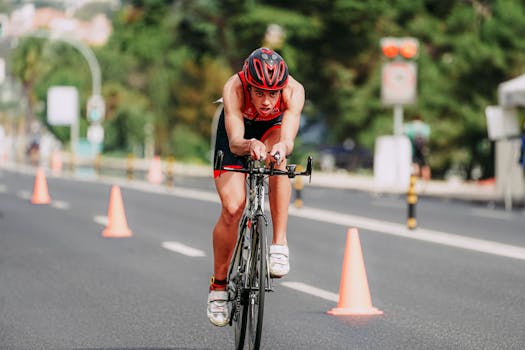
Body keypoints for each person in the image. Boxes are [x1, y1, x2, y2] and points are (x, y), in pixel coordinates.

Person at [207, 47, 305, 326]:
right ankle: (219, 286)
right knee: (233, 207)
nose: (265, 101)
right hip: (238, 136)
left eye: (272, 94)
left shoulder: (294, 91)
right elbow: (236, 139)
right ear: (248, 85)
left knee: (281, 160)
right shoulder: (234, 88)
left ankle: (279, 243)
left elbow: (288, 138)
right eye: (259, 92)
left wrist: (280, 148)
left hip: (272, 131)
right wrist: (250, 145)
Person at [404, 115, 431, 181]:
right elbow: (427, 138)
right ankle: (425, 183)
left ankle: (415, 181)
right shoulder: (425, 127)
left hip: (414, 150)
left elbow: (406, 134)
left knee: (415, 165)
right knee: (425, 166)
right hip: (423, 150)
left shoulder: (410, 127)